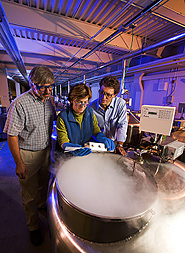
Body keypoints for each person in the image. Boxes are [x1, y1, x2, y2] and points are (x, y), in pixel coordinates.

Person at [3, 65, 56, 246]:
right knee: (29, 194)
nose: (48, 91)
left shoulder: (48, 100)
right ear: (33, 84)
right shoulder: (19, 104)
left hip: (45, 152)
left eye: (51, 86)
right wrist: (19, 162)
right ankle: (33, 226)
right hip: (28, 155)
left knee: (43, 186)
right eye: (44, 87)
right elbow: (12, 134)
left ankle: (41, 207)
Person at [56, 83, 115, 156]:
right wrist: (71, 148)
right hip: (68, 155)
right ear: (71, 100)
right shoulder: (63, 117)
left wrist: (102, 138)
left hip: (86, 152)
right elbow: (63, 140)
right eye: (79, 102)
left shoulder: (90, 112)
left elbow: (96, 130)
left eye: (85, 102)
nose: (82, 106)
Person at [90, 76, 128, 156]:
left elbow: (122, 125)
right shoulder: (91, 107)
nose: (103, 97)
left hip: (113, 145)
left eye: (108, 95)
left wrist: (119, 144)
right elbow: (90, 129)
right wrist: (101, 138)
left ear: (114, 95)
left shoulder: (120, 104)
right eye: (102, 92)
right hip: (96, 144)